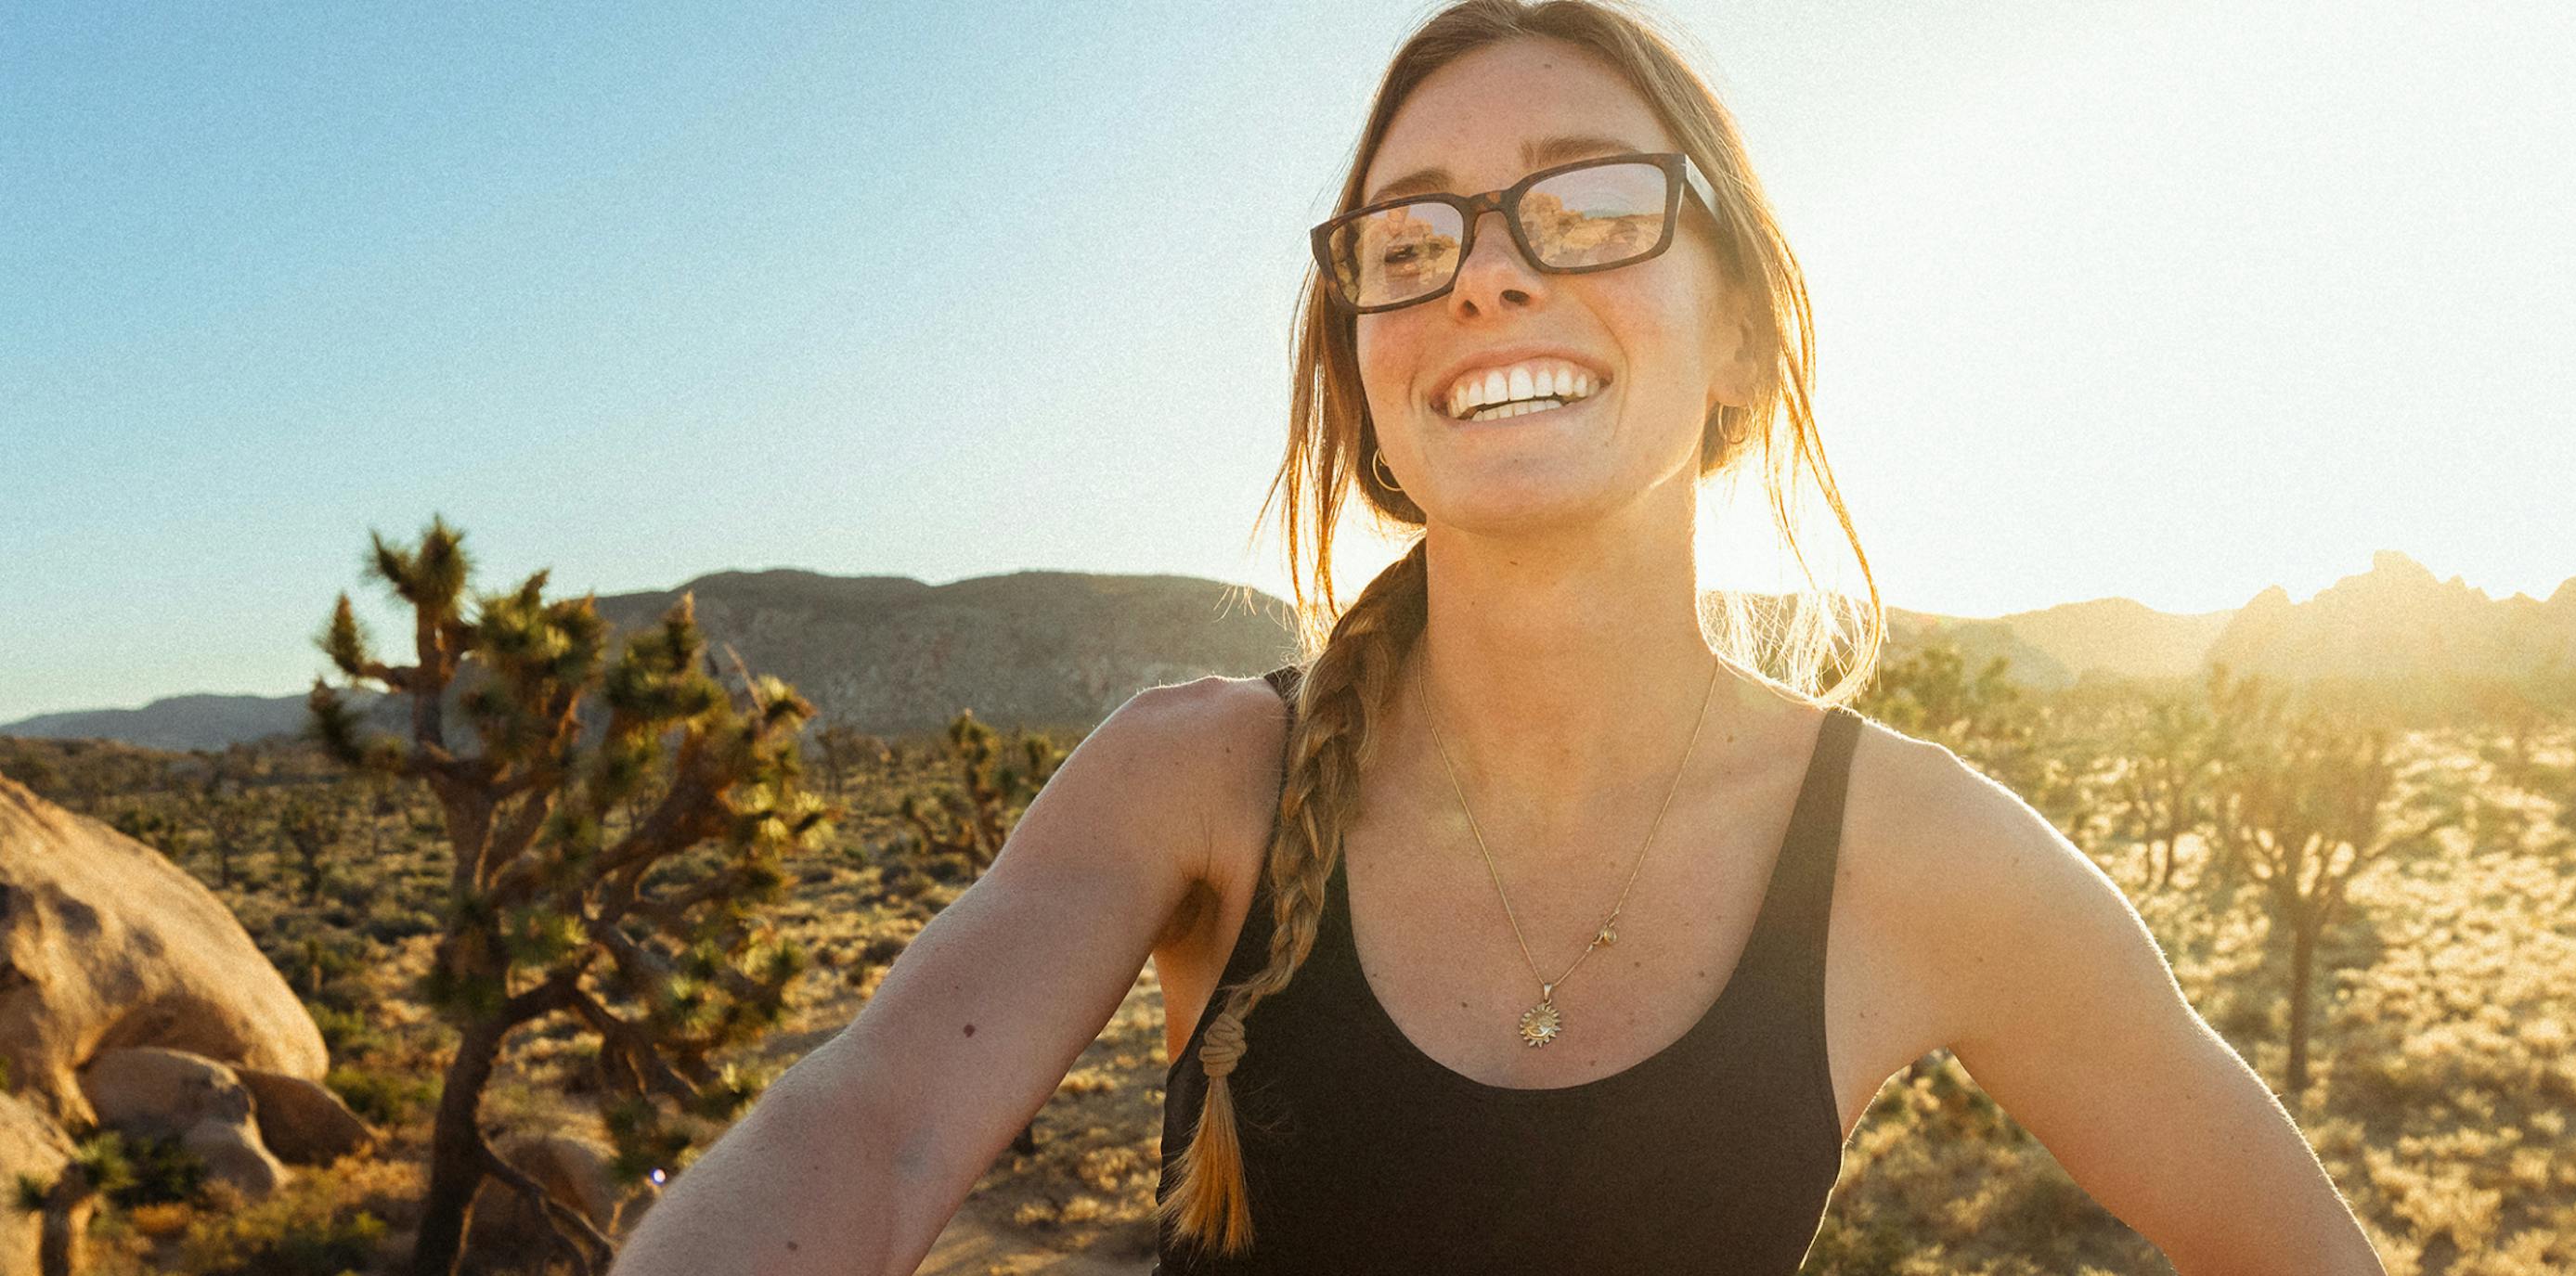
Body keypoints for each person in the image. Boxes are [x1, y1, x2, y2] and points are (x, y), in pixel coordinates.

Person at [612, 2, 2388, 1272]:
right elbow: (870, 1133)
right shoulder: (1198, 782)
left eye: (1590, 204)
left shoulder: (1915, 854)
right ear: (1368, 374)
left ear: (1741, 336)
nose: (1484, 272)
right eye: (1410, 238)